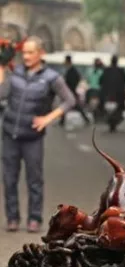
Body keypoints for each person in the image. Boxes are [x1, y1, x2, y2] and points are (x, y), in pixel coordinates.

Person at [0, 36, 75, 233]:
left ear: (41, 53)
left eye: (30, 52)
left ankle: (34, 218)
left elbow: (69, 101)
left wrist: (47, 119)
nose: (26, 56)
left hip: (32, 137)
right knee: (9, 179)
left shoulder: (51, 77)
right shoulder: (15, 75)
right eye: (24, 52)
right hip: (9, 134)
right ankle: (13, 217)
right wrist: (1, 68)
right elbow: (1, 94)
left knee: (34, 180)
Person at [60, 54, 90, 127]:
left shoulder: (72, 70)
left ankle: (86, 119)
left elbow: (74, 80)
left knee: (72, 106)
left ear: (68, 61)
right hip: (70, 91)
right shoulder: (71, 70)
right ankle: (62, 120)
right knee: (72, 106)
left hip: (70, 91)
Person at [100, 55, 125, 119]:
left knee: (101, 102)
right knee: (122, 103)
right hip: (116, 94)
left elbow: (100, 81)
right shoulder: (121, 70)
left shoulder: (106, 70)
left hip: (108, 93)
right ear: (117, 61)